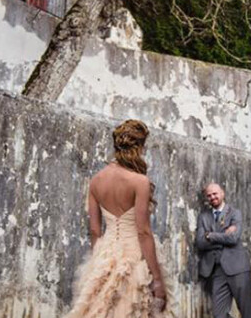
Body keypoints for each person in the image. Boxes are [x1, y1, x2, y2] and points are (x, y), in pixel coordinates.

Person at [64, 119, 174, 318]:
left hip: (105, 253)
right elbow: (143, 231)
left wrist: (99, 262)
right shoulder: (140, 181)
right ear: (138, 146)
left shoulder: (96, 181)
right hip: (134, 258)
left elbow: (95, 231)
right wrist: (157, 279)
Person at [196, 183, 251, 318]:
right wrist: (223, 236)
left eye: (215, 194)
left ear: (222, 193)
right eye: (209, 195)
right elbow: (200, 243)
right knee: (219, 315)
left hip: (238, 269)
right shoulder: (203, 217)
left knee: (247, 312)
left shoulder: (235, 213)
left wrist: (210, 235)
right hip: (217, 271)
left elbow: (233, 238)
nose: (212, 197)